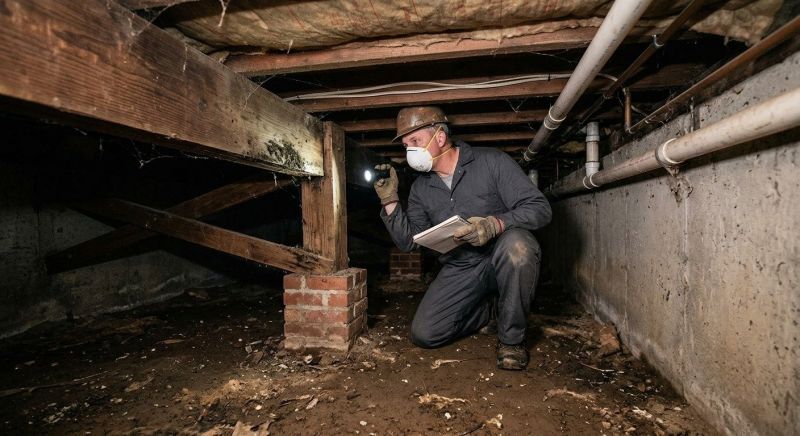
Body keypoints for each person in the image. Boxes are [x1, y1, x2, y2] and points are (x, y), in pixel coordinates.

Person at [373, 106, 552, 370]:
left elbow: (539, 208)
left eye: (415, 141)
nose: (409, 150)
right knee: (425, 333)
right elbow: (409, 242)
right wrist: (390, 201)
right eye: (405, 145)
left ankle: (511, 339)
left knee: (519, 247)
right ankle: (485, 313)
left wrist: (495, 225)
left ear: (441, 138)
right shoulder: (422, 189)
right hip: (462, 266)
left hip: (501, 254)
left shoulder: (491, 162)